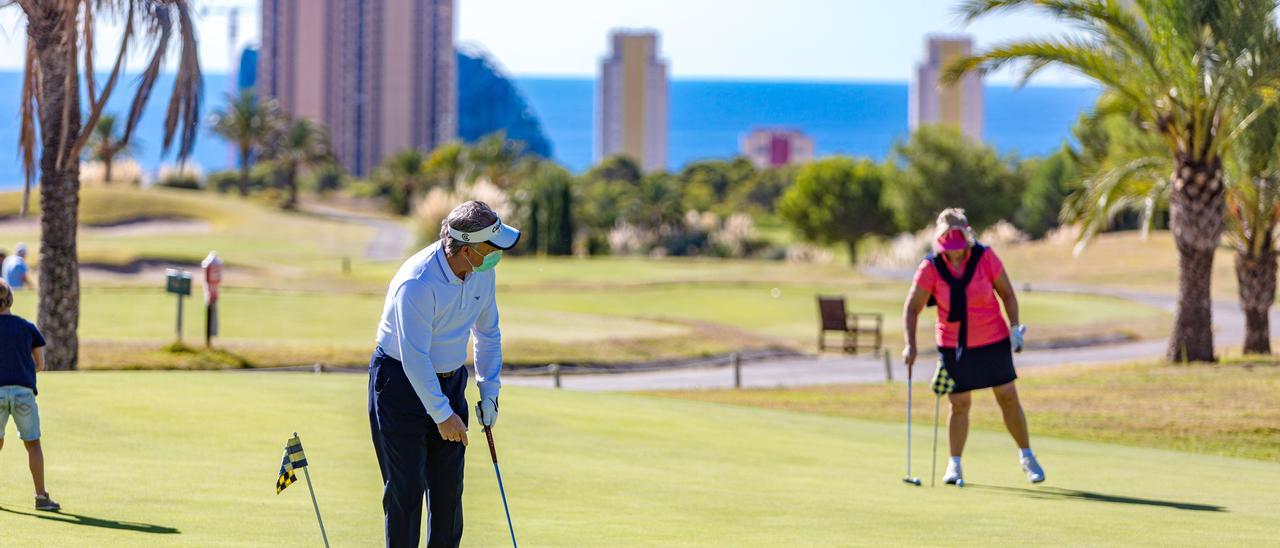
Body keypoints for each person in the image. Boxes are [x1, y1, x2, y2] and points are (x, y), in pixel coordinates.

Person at [369, 201, 519, 547]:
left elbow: (488, 334)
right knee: (406, 492)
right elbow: (414, 358)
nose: (497, 255)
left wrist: (490, 392)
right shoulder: (418, 283)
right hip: (399, 385)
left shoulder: (482, 270)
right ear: (467, 250)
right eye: (491, 248)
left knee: (449, 491)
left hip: (451, 381)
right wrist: (442, 414)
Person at [901, 208, 1045, 485]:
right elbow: (912, 308)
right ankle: (954, 465)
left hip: (993, 338)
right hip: (954, 344)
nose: (953, 241)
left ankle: (1027, 456)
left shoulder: (985, 257)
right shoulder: (930, 267)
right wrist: (911, 345)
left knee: (1007, 396)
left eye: (957, 233)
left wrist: (1015, 328)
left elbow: (1007, 293)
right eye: (948, 234)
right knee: (959, 403)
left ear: (966, 234)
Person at [0, 280, 60, 511]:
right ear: (10, 300)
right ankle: (41, 497)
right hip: (24, 392)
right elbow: (40, 364)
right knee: (32, 443)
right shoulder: (27, 327)